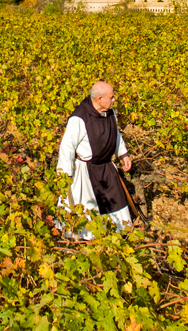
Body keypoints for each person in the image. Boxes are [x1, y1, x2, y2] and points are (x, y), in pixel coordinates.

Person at [56, 81, 132, 239]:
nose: (113, 100)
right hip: (85, 171)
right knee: (86, 207)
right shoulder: (79, 118)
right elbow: (67, 147)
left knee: (115, 199)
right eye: (111, 98)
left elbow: (115, 134)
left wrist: (123, 154)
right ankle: (86, 239)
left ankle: (118, 232)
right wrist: (65, 174)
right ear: (99, 99)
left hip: (106, 168)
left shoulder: (110, 113)